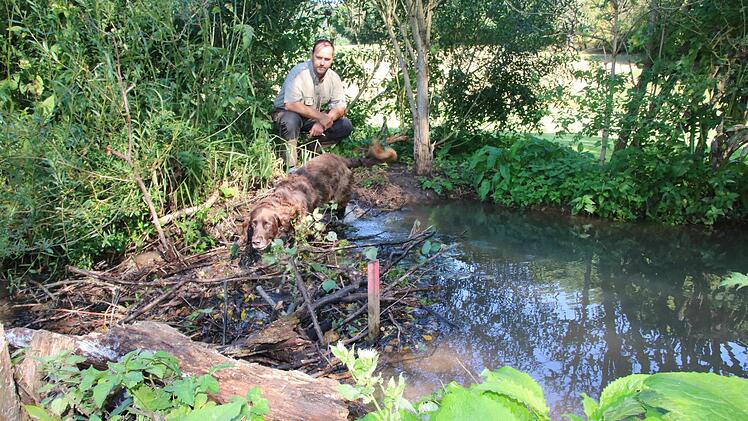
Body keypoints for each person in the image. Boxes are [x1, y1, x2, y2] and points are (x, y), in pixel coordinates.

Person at [271, 39, 353, 170]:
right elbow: (290, 104)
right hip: (285, 113)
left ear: (332, 59)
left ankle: (309, 151)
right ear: (311, 55)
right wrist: (321, 117)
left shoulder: (334, 78)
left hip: (311, 117)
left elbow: (340, 107)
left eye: (326, 59)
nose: (322, 63)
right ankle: (290, 166)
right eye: (318, 57)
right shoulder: (299, 72)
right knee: (291, 119)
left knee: (345, 125)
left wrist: (323, 121)